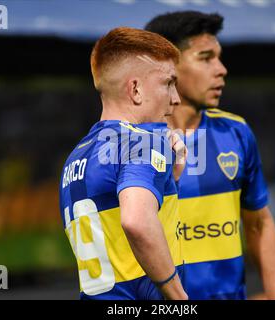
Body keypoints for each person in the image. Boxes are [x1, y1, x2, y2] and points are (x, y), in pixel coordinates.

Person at [146, 11, 275, 300]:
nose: (221, 69)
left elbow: (259, 223)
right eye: (206, 57)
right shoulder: (133, 144)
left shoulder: (236, 132)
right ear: (167, 66)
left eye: (219, 57)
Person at [59, 27, 188, 300]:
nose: (176, 98)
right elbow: (136, 221)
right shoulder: (143, 141)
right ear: (136, 89)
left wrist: (170, 179)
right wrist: (180, 298)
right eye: (168, 83)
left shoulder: (76, 157)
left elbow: (117, 242)